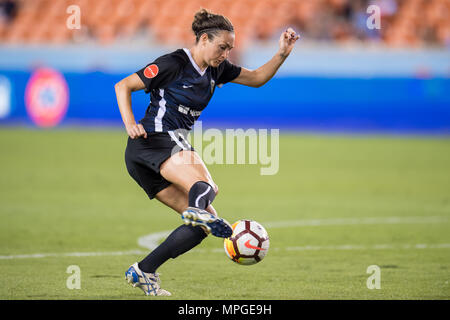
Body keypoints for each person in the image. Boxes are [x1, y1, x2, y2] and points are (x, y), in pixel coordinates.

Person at [114, 8, 299, 296]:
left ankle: (144, 271)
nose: (226, 53)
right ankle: (194, 209)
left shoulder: (217, 69)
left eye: (230, 48)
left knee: (205, 225)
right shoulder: (174, 63)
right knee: (207, 187)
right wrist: (129, 124)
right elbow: (123, 85)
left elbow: (257, 78)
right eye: (222, 46)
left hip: (148, 155)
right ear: (203, 39)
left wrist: (282, 53)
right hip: (155, 139)